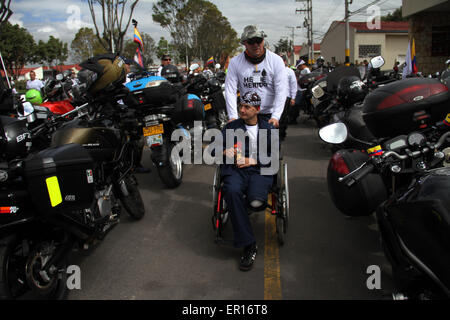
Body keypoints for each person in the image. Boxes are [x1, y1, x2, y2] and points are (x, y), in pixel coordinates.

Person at [220, 91, 275, 271]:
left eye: (247, 107)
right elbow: (213, 149)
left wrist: (255, 160)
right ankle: (249, 244)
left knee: (256, 202)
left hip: (260, 170)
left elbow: (275, 157)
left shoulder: (268, 129)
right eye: (240, 106)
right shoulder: (231, 127)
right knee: (232, 191)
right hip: (236, 170)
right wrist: (223, 152)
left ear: (257, 109)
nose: (241, 110)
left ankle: (241, 212)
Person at [224, 25, 287, 129]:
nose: (256, 45)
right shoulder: (235, 63)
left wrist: (276, 116)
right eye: (251, 42)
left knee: (267, 144)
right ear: (244, 43)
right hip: (247, 115)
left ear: (263, 40)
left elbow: (281, 90)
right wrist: (233, 116)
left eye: (259, 41)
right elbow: (230, 90)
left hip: (269, 115)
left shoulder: (276, 61)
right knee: (243, 144)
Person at [280, 56, 297, 140]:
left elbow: (293, 85)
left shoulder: (289, 71)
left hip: (286, 97)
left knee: (283, 117)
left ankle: (282, 133)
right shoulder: (274, 71)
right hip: (275, 98)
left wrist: (293, 98)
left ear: (285, 62)